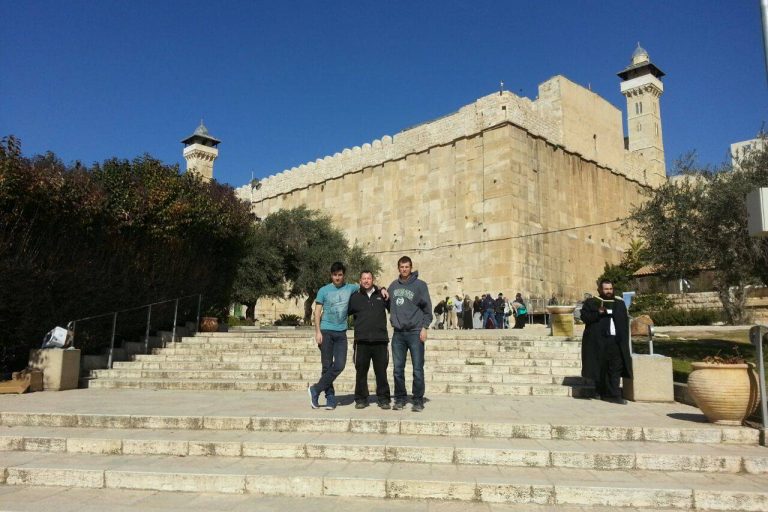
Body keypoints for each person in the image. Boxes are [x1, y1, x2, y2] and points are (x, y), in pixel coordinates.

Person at [308, 262, 387, 410]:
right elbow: (317, 312)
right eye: (335, 275)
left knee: (339, 365)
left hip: (341, 333)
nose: (337, 278)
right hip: (325, 331)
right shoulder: (323, 291)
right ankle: (330, 398)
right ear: (331, 275)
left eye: (340, 275)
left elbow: (368, 285)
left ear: (343, 276)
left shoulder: (351, 288)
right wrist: (317, 331)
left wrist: (382, 288)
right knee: (326, 366)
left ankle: (315, 389)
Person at [388, 256, 432, 412]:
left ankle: (418, 400)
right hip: (398, 334)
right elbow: (388, 304)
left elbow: (428, 310)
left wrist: (424, 327)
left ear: (411, 267)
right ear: (398, 268)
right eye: (401, 267)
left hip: (415, 332)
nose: (404, 269)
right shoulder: (392, 286)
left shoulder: (420, 286)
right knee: (397, 369)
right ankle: (400, 399)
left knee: (417, 369)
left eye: (407, 267)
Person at [580, 279, 633, 404]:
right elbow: (585, 317)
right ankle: (601, 391)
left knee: (616, 367)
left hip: (615, 341)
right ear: (600, 290)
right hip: (599, 341)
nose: (608, 291)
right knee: (601, 367)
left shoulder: (619, 303)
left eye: (610, 289)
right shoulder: (591, 303)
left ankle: (613, 394)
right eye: (606, 289)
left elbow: (623, 322)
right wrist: (598, 312)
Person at [348, 270, 391, 409]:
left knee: (381, 372)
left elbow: (392, 309)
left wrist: (383, 289)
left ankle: (384, 399)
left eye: (369, 278)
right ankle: (361, 398)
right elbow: (344, 313)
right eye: (364, 278)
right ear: (360, 281)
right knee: (361, 372)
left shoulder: (382, 295)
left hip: (380, 341)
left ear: (373, 280)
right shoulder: (354, 297)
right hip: (362, 341)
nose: (366, 281)